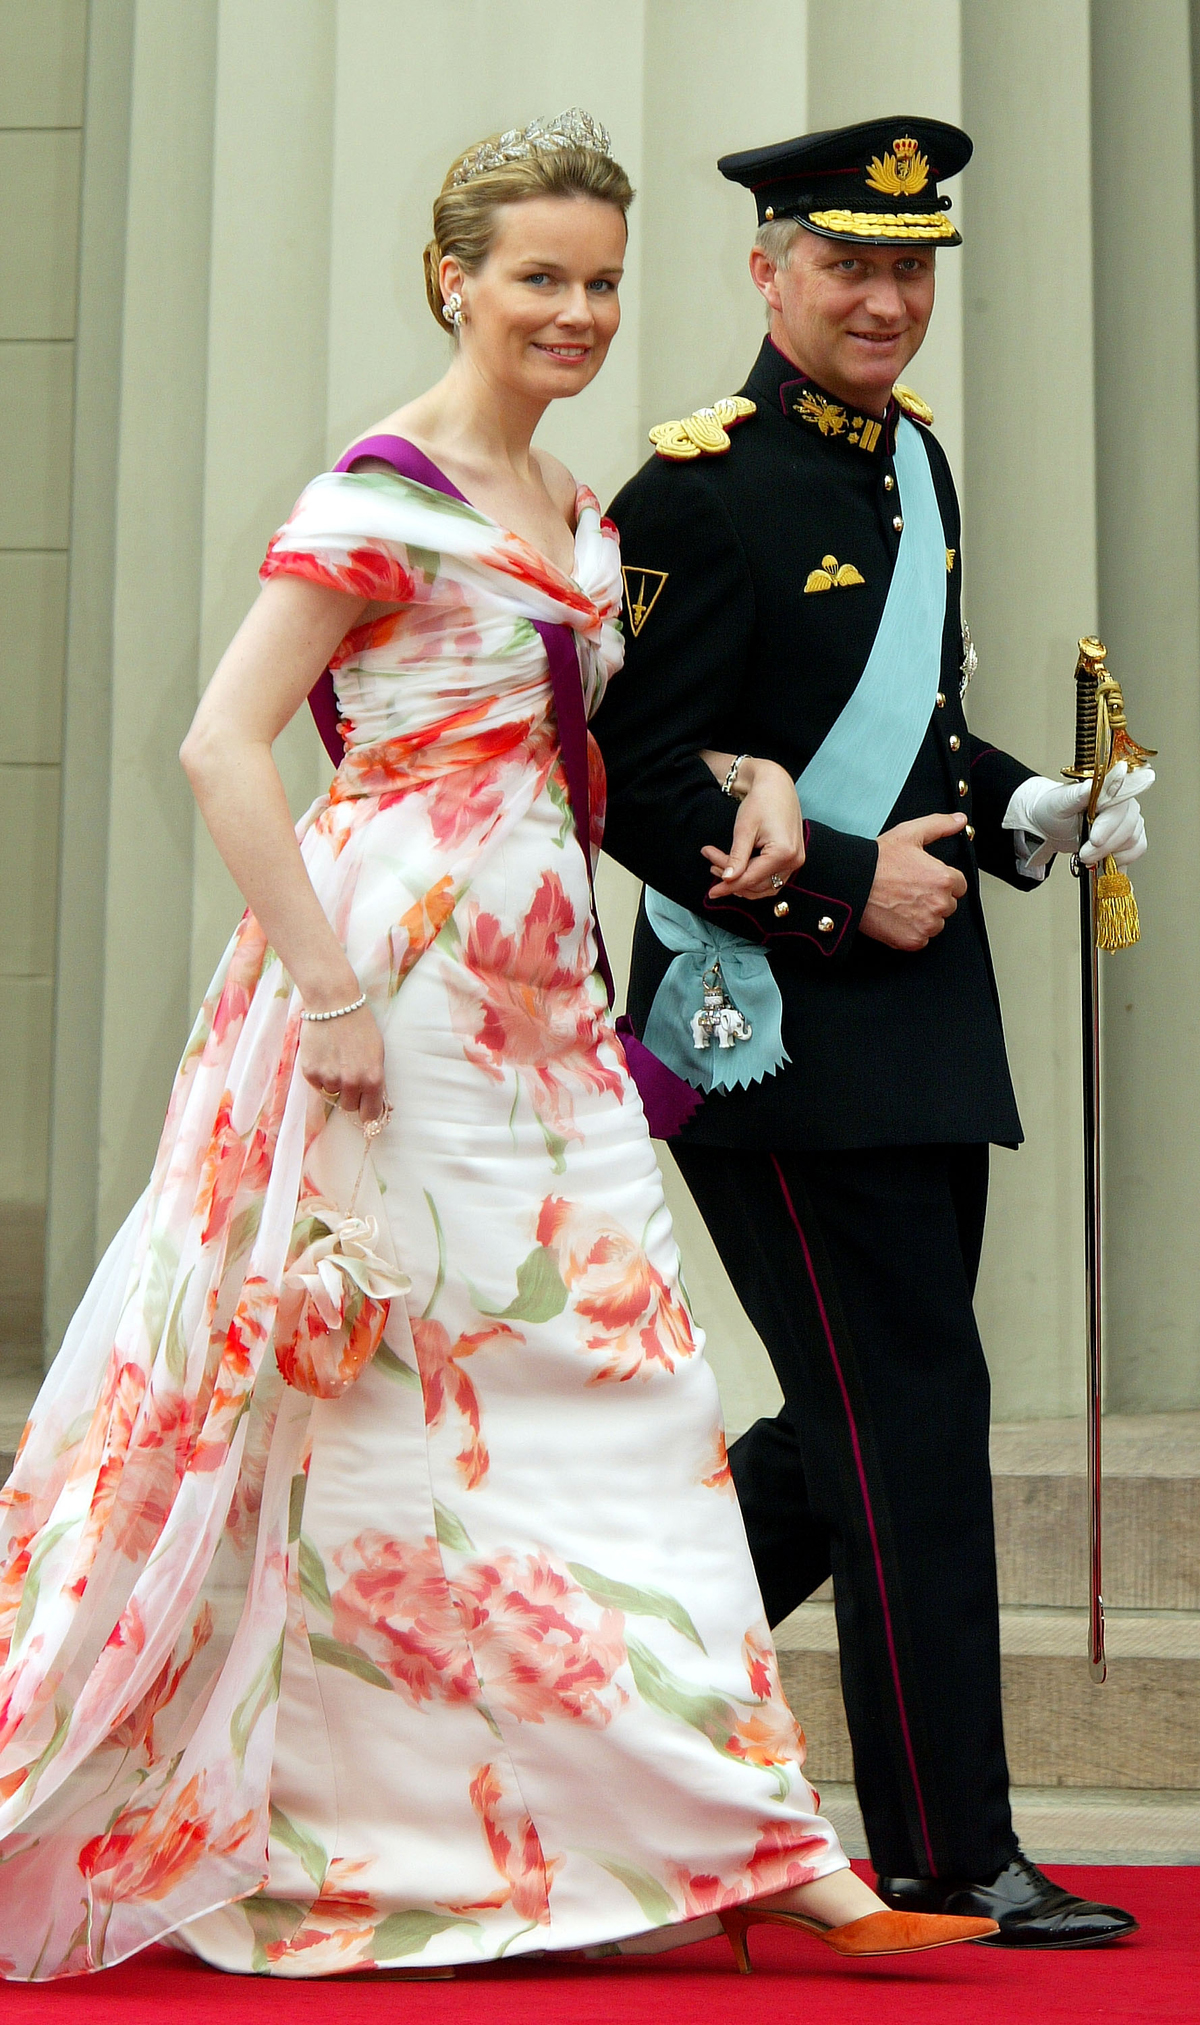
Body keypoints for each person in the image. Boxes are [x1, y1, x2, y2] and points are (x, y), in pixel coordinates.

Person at [0, 113, 996, 1983]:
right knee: (380, 1394)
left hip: (542, 987)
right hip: (392, 978)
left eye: (603, 282)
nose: (577, 313)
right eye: (539, 277)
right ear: (456, 277)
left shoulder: (581, 509)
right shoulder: (379, 494)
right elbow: (228, 744)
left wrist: (767, 778)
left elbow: (588, 748)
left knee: (623, 1386)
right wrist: (331, 998)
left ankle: (726, 1826)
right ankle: (386, 1823)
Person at [592, 116, 1151, 1948]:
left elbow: (915, 739)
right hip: (773, 1038)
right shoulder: (697, 488)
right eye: (849, 261)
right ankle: (945, 1847)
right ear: (769, 272)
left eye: (912, 266)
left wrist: (1027, 813)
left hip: (917, 1026)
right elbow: (623, 777)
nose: (886, 295)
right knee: (905, 1417)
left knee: (863, 1421)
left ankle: (605, 1709)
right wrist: (838, 884)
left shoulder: (913, 465)